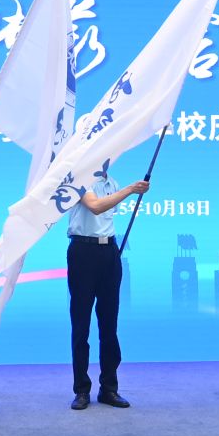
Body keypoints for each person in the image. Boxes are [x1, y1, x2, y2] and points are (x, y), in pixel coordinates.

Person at [66, 160, 149, 410]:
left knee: (109, 325)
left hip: (109, 252)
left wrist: (129, 190)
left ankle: (109, 388)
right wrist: (130, 190)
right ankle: (82, 390)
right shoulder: (79, 178)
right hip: (82, 251)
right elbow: (95, 206)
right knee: (81, 325)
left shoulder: (111, 182)